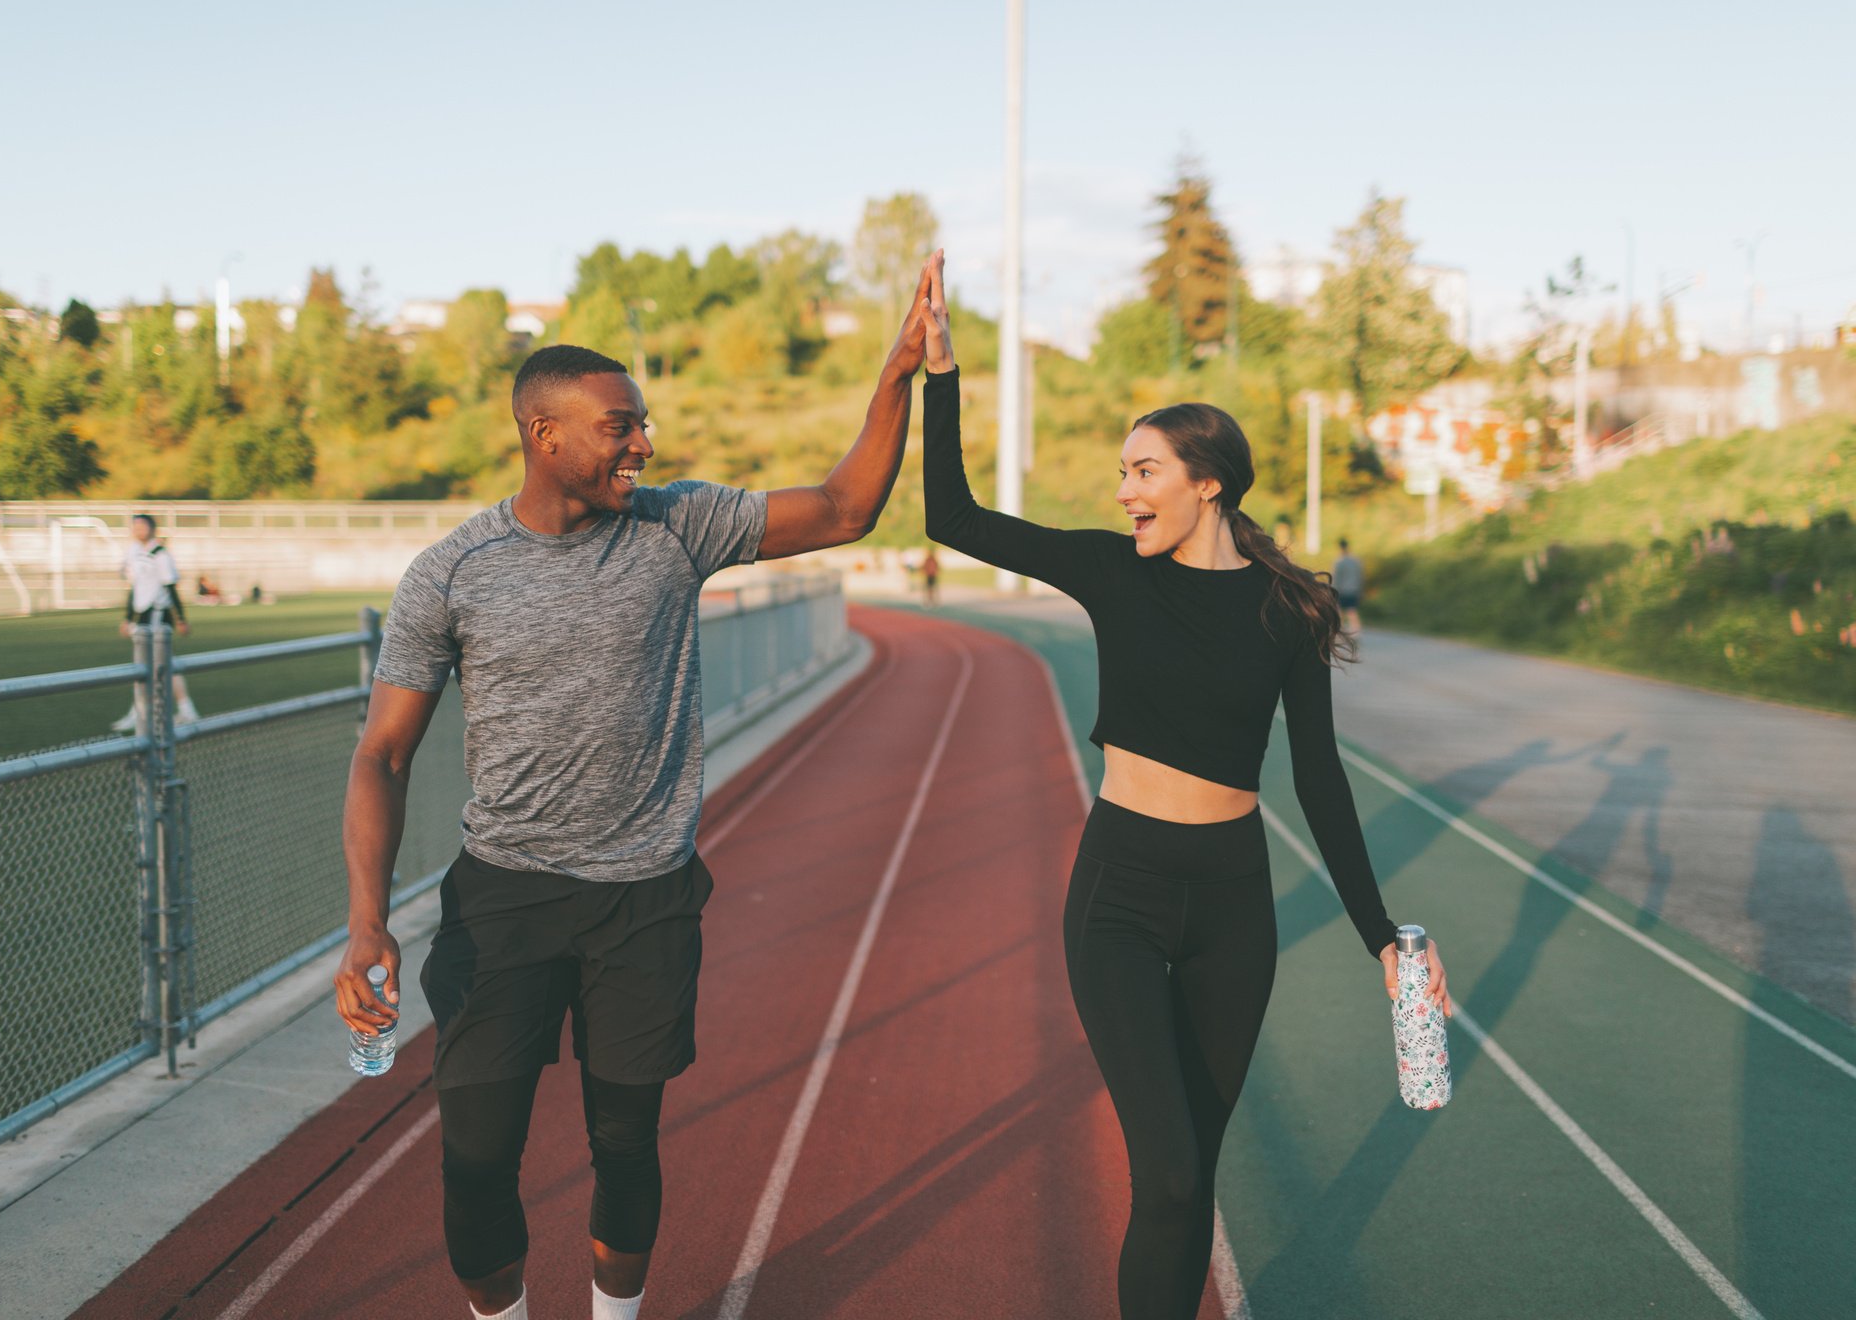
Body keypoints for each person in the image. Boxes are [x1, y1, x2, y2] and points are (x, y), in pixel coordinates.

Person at [333, 253, 941, 1320]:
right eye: (622, 426)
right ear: (545, 434)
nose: (645, 443)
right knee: (475, 1163)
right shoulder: (451, 573)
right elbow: (381, 754)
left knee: (627, 1146)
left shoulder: (677, 525)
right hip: (504, 900)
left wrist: (896, 372)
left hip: (645, 899)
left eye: (643, 422)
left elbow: (847, 508)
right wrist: (365, 923)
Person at [916, 256, 1450, 1319]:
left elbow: (1319, 779)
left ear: (1208, 481)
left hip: (1233, 907)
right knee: (1163, 1171)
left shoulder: (1292, 610)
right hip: (1121, 890)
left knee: (1188, 1185)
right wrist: (942, 378)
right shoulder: (1115, 570)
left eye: (1143, 471)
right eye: (1123, 472)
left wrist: (1384, 939)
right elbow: (953, 517)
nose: (1124, 492)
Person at [112, 515, 201, 731]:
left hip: (158, 614)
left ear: (152, 528)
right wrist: (127, 618)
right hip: (143, 614)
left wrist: (180, 619)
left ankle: (148, 712)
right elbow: (135, 588)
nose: (139, 530)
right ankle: (174, 710)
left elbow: (171, 588)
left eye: (143, 525)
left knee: (155, 664)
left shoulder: (161, 555)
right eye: (135, 526)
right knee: (151, 665)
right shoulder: (135, 552)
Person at [1332, 536, 1365, 635]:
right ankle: (1356, 632)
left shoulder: (1339, 562)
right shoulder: (1356, 561)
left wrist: (1333, 591)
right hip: (1353, 589)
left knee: (1339, 612)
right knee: (1352, 611)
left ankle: (1338, 633)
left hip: (1342, 590)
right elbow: (1360, 576)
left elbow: (1336, 578)